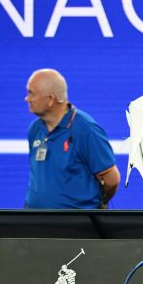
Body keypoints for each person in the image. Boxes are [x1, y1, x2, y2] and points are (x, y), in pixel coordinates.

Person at [25, 69, 120, 209]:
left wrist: (90, 207)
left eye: (31, 93)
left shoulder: (85, 129)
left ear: (51, 99)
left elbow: (111, 180)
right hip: (36, 222)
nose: (27, 99)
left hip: (77, 226)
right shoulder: (35, 129)